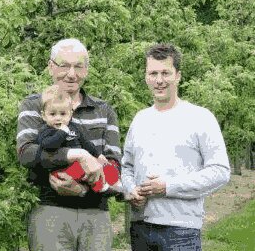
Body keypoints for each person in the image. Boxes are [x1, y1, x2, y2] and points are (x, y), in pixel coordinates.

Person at [121, 43, 230, 250]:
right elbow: (127, 167)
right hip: (140, 228)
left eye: (165, 73)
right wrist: (130, 189)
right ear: (146, 77)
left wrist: (168, 187)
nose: (159, 80)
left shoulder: (200, 117)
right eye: (153, 73)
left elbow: (220, 171)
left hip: (181, 231)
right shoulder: (139, 119)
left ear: (178, 75)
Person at [16, 38, 122, 251]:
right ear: (50, 67)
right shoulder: (35, 105)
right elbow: (26, 153)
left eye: (78, 66)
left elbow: (113, 167)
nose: (71, 74)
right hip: (50, 212)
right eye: (64, 65)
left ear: (87, 70)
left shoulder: (103, 110)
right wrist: (77, 155)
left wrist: (82, 189)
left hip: (96, 213)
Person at [36, 84, 121, 193]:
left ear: (70, 114)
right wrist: (62, 132)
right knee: (87, 170)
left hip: (79, 166)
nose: (58, 118)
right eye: (52, 114)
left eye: (62, 114)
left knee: (102, 165)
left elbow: (85, 143)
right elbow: (47, 145)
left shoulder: (73, 127)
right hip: (62, 170)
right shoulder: (46, 131)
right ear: (44, 116)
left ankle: (114, 181)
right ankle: (100, 186)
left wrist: (98, 155)